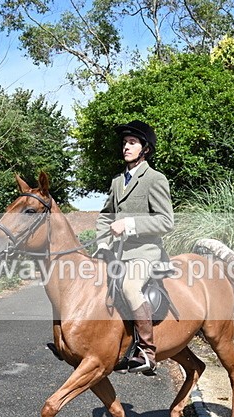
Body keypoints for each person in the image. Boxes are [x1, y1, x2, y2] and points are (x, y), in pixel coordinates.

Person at [94, 120, 174, 374]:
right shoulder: (118, 181)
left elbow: (166, 221)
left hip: (145, 251)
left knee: (129, 286)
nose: (126, 147)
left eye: (132, 143)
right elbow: (106, 216)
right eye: (125, 143)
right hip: (117, 251)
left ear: (145, 149)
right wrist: (103, 243)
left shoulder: (155, 179)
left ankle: (147, 352)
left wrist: (129, 223)